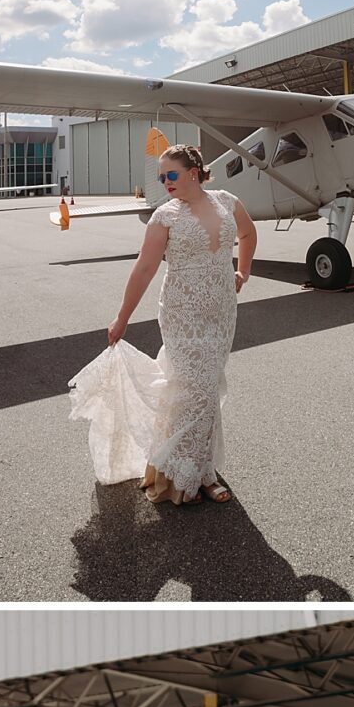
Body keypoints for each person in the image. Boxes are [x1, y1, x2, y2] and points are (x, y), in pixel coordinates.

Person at [104, 144, 258, 505]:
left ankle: (192, 467)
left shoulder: (226, 201)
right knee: (197, 390)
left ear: (194, 172)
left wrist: (243, 271)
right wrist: (122, 318)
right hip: (182, 315)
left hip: (221, 312)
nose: (165, 182)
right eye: (162, 177)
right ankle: (195, 475)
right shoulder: (164, 216)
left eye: (170, 175)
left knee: (202, 390)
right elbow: (144, 268)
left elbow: (248, 235)